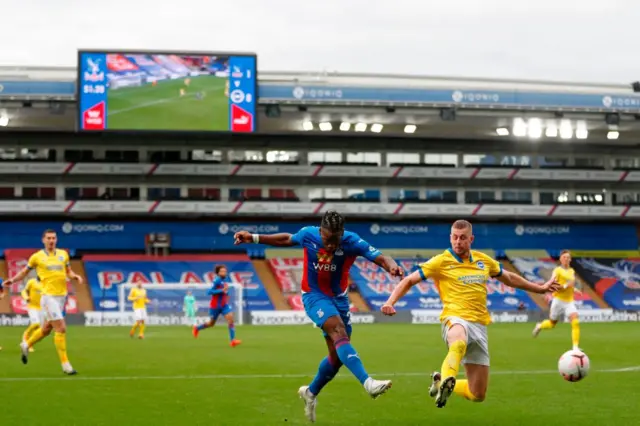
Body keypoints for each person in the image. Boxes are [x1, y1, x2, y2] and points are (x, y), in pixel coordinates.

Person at [234, 210, 403, 422]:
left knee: (336, 357)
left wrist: (392, 266)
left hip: (339, 299)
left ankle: (310, 392)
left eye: (335, 240)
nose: (331, 245)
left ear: (341, 234)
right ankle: (368, 383)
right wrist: (254, 237)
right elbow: (287, 238)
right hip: (314, 295)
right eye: (327, 239)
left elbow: (380, 257)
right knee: (338, 330)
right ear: (321, 231)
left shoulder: (352, 241)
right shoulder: (309, 234)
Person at [381, 219, 559, 408]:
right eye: (455, 237)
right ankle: (448, 378)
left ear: (471, 239)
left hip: (479, 326)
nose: (458, 242)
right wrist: (390, 302)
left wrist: (539, 289)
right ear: (450, 238)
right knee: (458, 342)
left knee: (477, 394)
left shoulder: (483, 260)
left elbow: (508, 277)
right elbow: (409, 280)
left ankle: (442, 382)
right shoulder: (441, 261)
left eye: (463, 238)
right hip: (455, 318)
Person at [3, 229, 83, 375]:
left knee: (46, 329)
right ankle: (66, 365)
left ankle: (26, 344)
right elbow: (25, 272)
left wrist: (75, 276)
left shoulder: (63, 254)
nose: (51, 240)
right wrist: (13, 280)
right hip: (48, 297)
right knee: (61, 329)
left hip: (62, 297)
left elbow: (68, 271)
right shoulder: (37, 257)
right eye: (48, 238)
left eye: (53, 238)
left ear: (56, 239)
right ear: (43, 240)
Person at [532, 249, 581, 350]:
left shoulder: (572, 271)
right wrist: (565, 286)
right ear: (560, 259)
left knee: (575, 322)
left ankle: (575, 348)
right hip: (558, 301)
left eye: (568, 257)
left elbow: (571, 284)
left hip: (569, 302)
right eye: (564, 257)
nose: (566, 259)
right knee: (551, 324)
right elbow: (553, 282)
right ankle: (539, 326)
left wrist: (574, 288)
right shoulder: (557, 271)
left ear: (570, 259)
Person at [192, 265, 242, 347]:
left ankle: (233, 341)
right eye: (222, 271)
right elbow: (209, 292)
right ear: (218, 273)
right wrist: (221, 290)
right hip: (215, 306)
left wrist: (226, 294)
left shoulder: (224, 282)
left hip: (224, 306)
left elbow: (225, 293)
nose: (224, 273)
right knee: (211, 324)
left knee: (230, 319)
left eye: (225, 271)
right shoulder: (216, 281)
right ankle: (197, 328)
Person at [21, 275, 43, 352]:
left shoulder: (46, 283)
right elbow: (24, 291)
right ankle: (25, 336)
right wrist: (26, 298)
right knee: (35, 323)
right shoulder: (32, 282)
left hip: (42, 309)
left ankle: (29, 344)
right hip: (32, 307)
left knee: (39, 330)